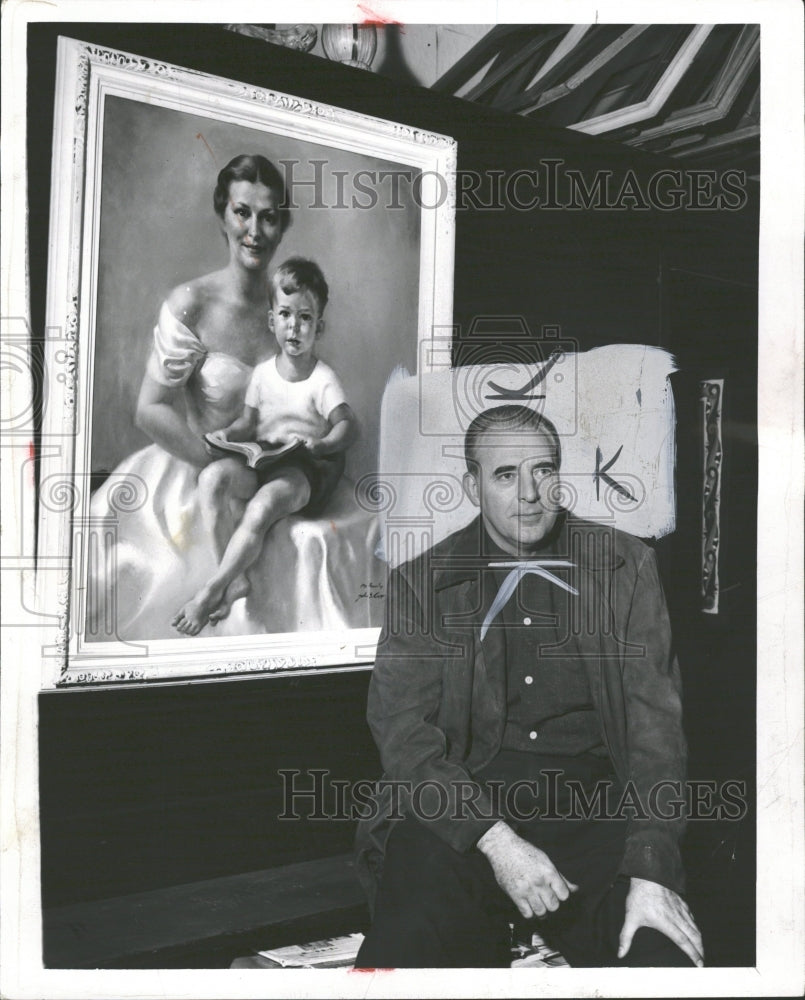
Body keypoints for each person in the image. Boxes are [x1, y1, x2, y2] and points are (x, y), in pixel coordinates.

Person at [354, 404, 703, 969]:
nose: (529, 493)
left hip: (596, 811)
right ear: (472, 485)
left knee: (659, 958)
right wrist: (497, 842)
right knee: (409, 947)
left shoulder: (626, 566)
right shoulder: (421, 583)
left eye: (543, 471)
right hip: (464, 807)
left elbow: (656, 733)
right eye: (505, 475)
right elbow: (403, 737)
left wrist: (649, 869)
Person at [87, 154, 290, 640]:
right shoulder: (191, 303)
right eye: (243, 212)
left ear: (283, 225)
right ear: (223, 215)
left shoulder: (288, 306)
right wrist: (212, 461)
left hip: (265, 478)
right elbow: (150, 408)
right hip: (196, 472)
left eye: (269, 216)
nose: (255, 231)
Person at [172, 257, 357, 635]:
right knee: (211, 480)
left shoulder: (322, 380)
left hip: (304, 467)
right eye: (286, 315)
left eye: (305, 318)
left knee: (262, 507)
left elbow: (347, 427)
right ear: (272, 320)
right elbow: (248, 423)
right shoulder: (261, 375)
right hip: (264, 457)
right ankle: (233, 576)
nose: (294, 326)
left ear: (318, 327)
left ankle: (213, 589)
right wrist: (228, 436)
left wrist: (321, 444)